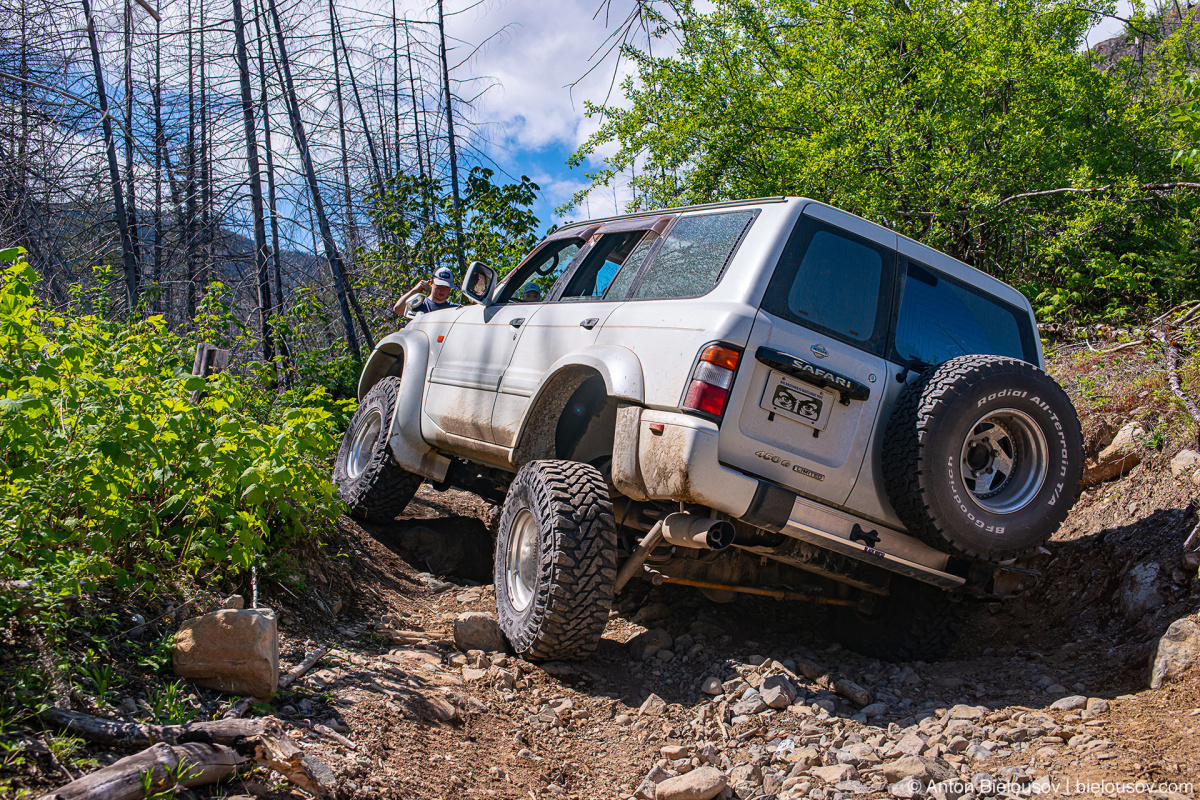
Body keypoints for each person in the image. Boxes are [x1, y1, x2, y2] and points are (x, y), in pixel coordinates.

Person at [393, 266, 461, 316]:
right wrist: (415, 290)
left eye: (447, 287)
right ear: (431, 283)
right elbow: (398, 309)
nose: (442, 290)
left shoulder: (455, 309)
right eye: (439, 286)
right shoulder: (419, 305)